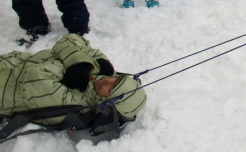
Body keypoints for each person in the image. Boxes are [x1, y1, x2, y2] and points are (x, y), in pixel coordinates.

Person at [0, 34, 147, 127]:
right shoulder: (100, 72)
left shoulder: (75, 105)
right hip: (9, 63)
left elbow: (35, 76)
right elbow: (71, 39)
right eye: (115, 81)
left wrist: (73, 63)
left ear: (106, 105)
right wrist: (79, 63)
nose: (107, 82)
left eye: (109, 90)